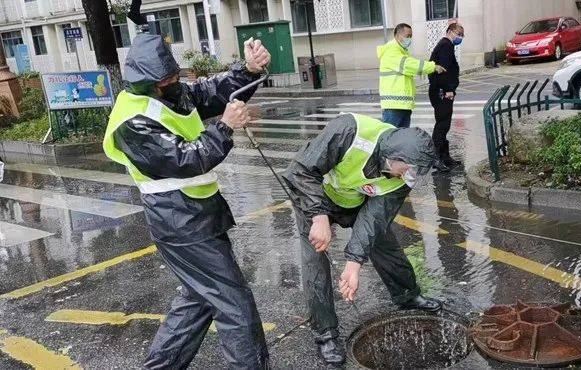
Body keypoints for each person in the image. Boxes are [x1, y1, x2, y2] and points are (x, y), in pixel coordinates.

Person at [102, 30, 272, 369]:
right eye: (168, 78)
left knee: (198, 300)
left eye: (175, 75)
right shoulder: (131, 121)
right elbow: (185, 159)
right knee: (234, 305)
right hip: (180, 223)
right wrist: (224, 127)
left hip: (197, 216)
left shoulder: (171, 93)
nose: (175, 82)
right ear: (149, 81)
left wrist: (249, 70)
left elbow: (212, 90)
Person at [281, 113, 442, 365]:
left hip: (355, 202)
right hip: (314, 199)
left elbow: (374, 219)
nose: (408, 177)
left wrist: (353, 263)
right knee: (315, 260)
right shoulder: (349, 131)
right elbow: (299, 171)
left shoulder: (400, 178)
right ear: (395, 157)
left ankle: (407, 294)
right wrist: (319, 217)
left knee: (383, 241)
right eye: (408, 170)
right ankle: (325, 334)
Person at [378, 23, 446, 128]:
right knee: (390, 139)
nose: (409, 39)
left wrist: (424, 71)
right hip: (393, 106)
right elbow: (409, 65)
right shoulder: (391, 50)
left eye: (411, 36)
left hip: (402, 105)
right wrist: (433, 67)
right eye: (407, 36)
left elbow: (411, 67)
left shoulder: (402, 51)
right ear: (397, 35)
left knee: (402, 140)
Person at [428, 23, 464, 172]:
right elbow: (441, 71)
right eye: (458, 33)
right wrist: (448, 89)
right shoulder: (445, 45)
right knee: (442, 125)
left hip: (442, 91)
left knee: (444, 124)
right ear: (449, 31)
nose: (460, 37)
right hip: (442, 92)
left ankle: (445, 157)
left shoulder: (447, 45)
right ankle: (437, 158)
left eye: (462, 35)